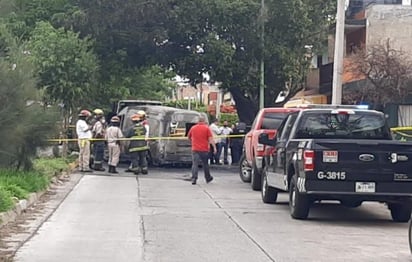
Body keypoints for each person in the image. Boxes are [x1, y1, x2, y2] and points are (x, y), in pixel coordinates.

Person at [187, 116, 217, 185]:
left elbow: (189, 137)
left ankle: (194, 178)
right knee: (205, 164)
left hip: (195, 149)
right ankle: (208, 178)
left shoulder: (193, 128)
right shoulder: (207, 128)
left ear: (198, 121)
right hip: (204, 149)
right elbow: (210, 139)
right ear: (204, 121)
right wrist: (214, 147)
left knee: (195, 164)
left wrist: (193, 142)